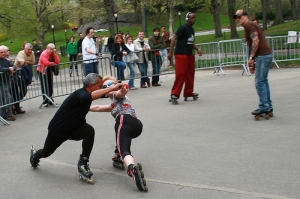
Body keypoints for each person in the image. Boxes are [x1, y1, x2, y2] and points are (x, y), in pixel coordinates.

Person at [30, 73, 123, 184]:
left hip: (75, 128)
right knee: (46, 152)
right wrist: (111, 88)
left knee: (89, 131)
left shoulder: (88, 94)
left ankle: (83, 163)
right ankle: (35, 156)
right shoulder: (80, 94)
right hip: (59, 130)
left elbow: (96, 103)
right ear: (91, 86)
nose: (102, 88)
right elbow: (90, 97)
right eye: (100, 85)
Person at [89, 76, 148, 192]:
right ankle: (118, 155)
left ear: (116, 85)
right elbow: (98, 107)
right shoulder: (114, 105)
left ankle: (131, 169)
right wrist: (83, 107)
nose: (107, 87)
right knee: (120, 136)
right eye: (104, 86)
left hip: (124, 121)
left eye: (110, 84)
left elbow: (122, 92)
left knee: (124, 150)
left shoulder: (118, 95)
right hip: (136, 126)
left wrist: (122, 88)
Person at [233, 10, 273, 116]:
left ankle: (264, 106)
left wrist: (251, 58)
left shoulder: (249, 25)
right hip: (266, 55)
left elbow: (256, 41)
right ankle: (268, 106)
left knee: (259, 82)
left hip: (263, 56)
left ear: (246, 16)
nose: (238, 19)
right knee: (264, 81)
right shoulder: (249, 26)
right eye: (236, 18)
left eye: (240, 17)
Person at [167, 12, 202, 101]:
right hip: (181, 54)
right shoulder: (183, 28)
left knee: (190, 74)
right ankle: (174, 94)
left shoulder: (192, 29)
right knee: (180, 74)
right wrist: (170, 51)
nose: (193, 19)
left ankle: (188, 92)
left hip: (189, 54)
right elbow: (174, 37)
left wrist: (198, 49)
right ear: (187, 19)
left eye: (194, 18)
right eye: (191, 18)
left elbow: (191, 41)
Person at [12, 43, 35, 114]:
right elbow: (22, 64)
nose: (30, 51)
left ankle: (15, 106)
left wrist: (27, 62)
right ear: (24, 49)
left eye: (31, 49)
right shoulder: (21, 53)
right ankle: (15, 107)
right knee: (16, 91)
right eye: (28, 49)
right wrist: (28, 62)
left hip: (26, 74)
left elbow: (33, 63)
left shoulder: (32, 53)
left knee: (23, 91)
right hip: (17, 74)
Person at [0, 45, 16, 121]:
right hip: (1, 83)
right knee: (7, 98)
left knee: (6, 98)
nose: (3, 53)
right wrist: (8, 69)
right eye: (1, 52)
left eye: (4, 52)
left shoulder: (5, 60)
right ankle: (8, 115)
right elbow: (0, 69)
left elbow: (13, 65)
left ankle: (5, 115)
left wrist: (12, 68)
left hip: (6, 82)